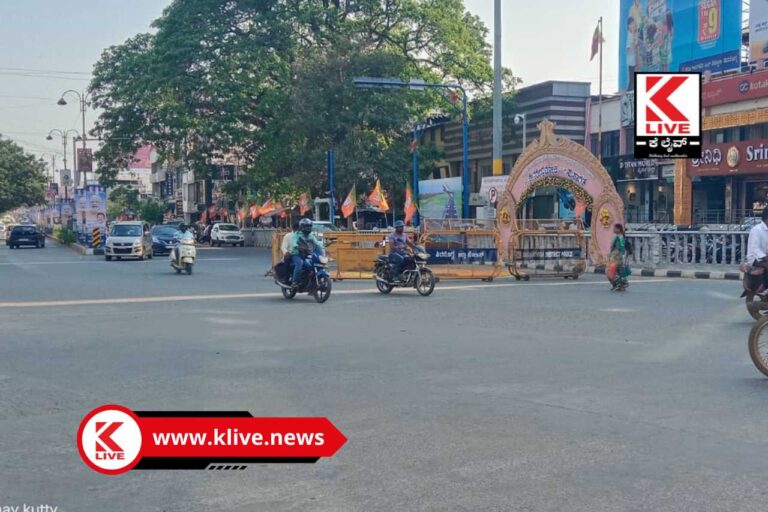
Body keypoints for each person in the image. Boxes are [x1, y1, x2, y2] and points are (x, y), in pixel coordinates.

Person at [289, 218, 324, 288]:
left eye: (309, 226)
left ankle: (309, 280)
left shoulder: (311, 235)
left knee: (311, 265)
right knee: (300, 264)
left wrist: (323, 246)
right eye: (306, 226)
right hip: (297, 254)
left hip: (307, 254)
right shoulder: (297, 234)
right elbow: (293, 242)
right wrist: (296, 246)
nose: (308, 228)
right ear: (302, 227)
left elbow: (317, 243)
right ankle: (294, 282)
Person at [608, 223, 631, 291]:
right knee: (617, 271)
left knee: (613, 271)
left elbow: (621, 247)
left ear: (618, 229)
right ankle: (620, 284)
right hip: (615, 256)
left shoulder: (620, 237)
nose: (613, 229)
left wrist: (622, 256)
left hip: (617, 257)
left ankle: (618, 284)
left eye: (614, 228)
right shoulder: (617, 236)